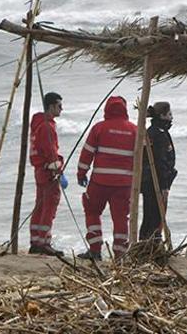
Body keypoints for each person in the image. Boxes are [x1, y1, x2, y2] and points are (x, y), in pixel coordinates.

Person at [76, 96, 137, 260]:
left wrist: (81, 174)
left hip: (100, 182)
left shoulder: (99, 128)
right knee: (121, 218)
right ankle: (120, 254)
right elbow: (142, 158)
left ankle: (95, 250)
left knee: (92, 211)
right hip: (124, 184)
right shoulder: (134, 130)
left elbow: (87, 153)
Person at [28, 92, 68, 256]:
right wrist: (59, 171)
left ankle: (36, 240)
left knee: (40, 205)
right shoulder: (46, 126)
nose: (62, 109)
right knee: (49, 205)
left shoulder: (40, 124)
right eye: (59, 106)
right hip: (48, 171)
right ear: (51, 106)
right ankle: (44, 242)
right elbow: (50, 152)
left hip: (40, 170)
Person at [139, 102, 177, 241]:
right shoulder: (159, 134)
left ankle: (146, 241)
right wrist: (164, 185)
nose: (171, 118)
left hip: (149, 180)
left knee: (149, 214)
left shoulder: (152, 132)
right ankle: (152, 244)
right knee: (155, 216)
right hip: (155, 181)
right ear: (162, 116)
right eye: (169, 115)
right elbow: (160, 162)